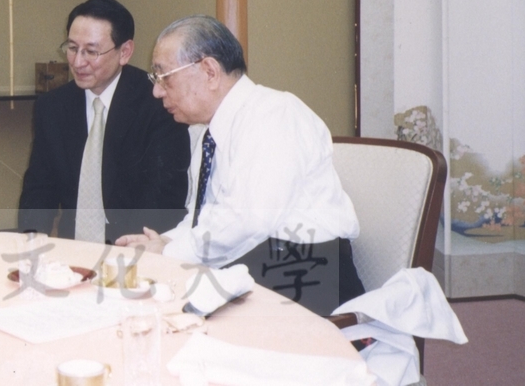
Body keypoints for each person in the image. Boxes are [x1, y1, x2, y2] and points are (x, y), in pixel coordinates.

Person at [116, 15, 363, 301]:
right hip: (255, 264)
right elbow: (204, 220)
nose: (157, 91)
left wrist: (169, 253)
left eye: (164, 77)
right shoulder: (208, 134)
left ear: (209, 71)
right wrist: (162, 243)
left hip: (307, 275)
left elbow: (248, 221)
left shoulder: (273, 114)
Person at [18, 0, 191, 244]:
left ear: (125, 52)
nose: (78, 62)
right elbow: (39, 188)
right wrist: (32, 239)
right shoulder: (52, 107)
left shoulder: (158, 104)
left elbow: (163, 197)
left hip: (135, 248)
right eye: (72, 48)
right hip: (73, 250)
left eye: (91, 51)